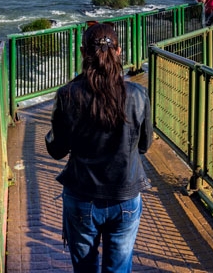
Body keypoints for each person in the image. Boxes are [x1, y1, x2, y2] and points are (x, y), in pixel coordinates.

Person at [45, 22, 153, 273]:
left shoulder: (68, 94)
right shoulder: (138, 94)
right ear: (118, 51)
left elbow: (57, 150)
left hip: (82, 195)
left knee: (85, 269)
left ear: (83, 53)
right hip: (125, 195)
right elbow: (145, 145)